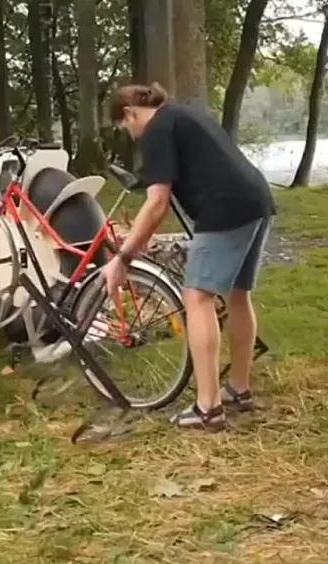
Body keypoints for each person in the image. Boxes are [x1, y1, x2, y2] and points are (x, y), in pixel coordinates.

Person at [103, 82, 276, 431]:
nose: (131, 135)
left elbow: (156, 204)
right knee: (238, 295)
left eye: (125, 127)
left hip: (225, 208)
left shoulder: (155, 131)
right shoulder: (182, 114)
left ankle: (208, 408)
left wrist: (123, 257)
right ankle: (238, 389)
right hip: (256, 199)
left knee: (197, 297)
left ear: (129, 113)